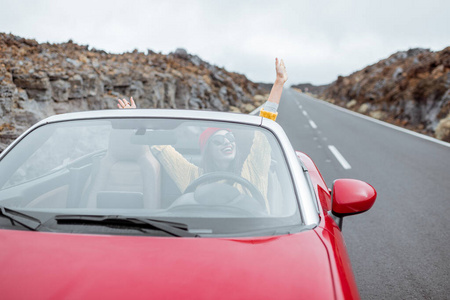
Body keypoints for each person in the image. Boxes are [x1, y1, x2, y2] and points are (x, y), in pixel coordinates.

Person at [117, 58, 288, 211]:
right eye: (218, 141)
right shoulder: (193, 176)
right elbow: (163, 150)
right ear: (207, 150)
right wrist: (135, 120)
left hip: (253, 238)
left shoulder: (254, 168)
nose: (226, 143)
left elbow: (264, 131)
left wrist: (279, 84)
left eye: (229, 138)